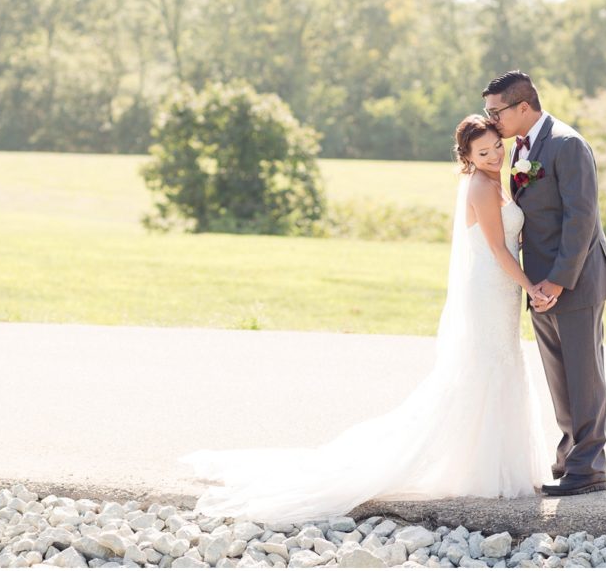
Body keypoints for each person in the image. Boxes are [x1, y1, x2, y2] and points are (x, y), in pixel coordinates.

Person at [176, 115, 550, 525]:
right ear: (467, 157)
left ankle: (493, 460)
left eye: (497, 146)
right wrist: (532, 287)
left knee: (501, 361)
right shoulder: (480, 186)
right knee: (487, 366)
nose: (495, 155)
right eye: (484, 152)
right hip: (490, 285)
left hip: (501, 288)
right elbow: (498, 249)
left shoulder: (499, 179)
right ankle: (483, 468)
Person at [481, 70, 606, 497]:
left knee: (584, 376)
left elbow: (582, 220)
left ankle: (590, 468)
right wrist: (533, 284)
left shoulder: (567, 144)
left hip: (575, 281)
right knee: (560, 377)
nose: (491, 120)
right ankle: (569, 457)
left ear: (523, 107)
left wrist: (558, 282)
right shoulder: (522, 148)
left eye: (496, 111)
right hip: (538, 285)